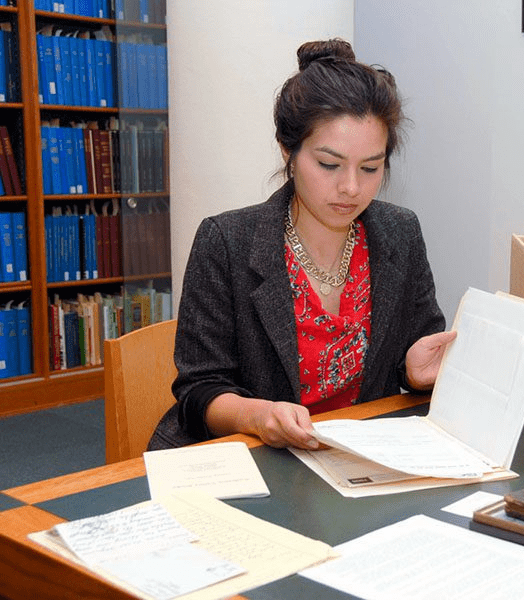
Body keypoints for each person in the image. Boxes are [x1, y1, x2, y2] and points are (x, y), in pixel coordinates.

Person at [149, 39, 454, 451]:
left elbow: (413, 355)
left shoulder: (399, 233)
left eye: (370, 167)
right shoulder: (226, 242)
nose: (350, 188)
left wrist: (415, 372)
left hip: (355, 460)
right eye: (329, 164)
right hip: (251, 459)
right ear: (288, 150)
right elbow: (199, 392)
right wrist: (258, 415)